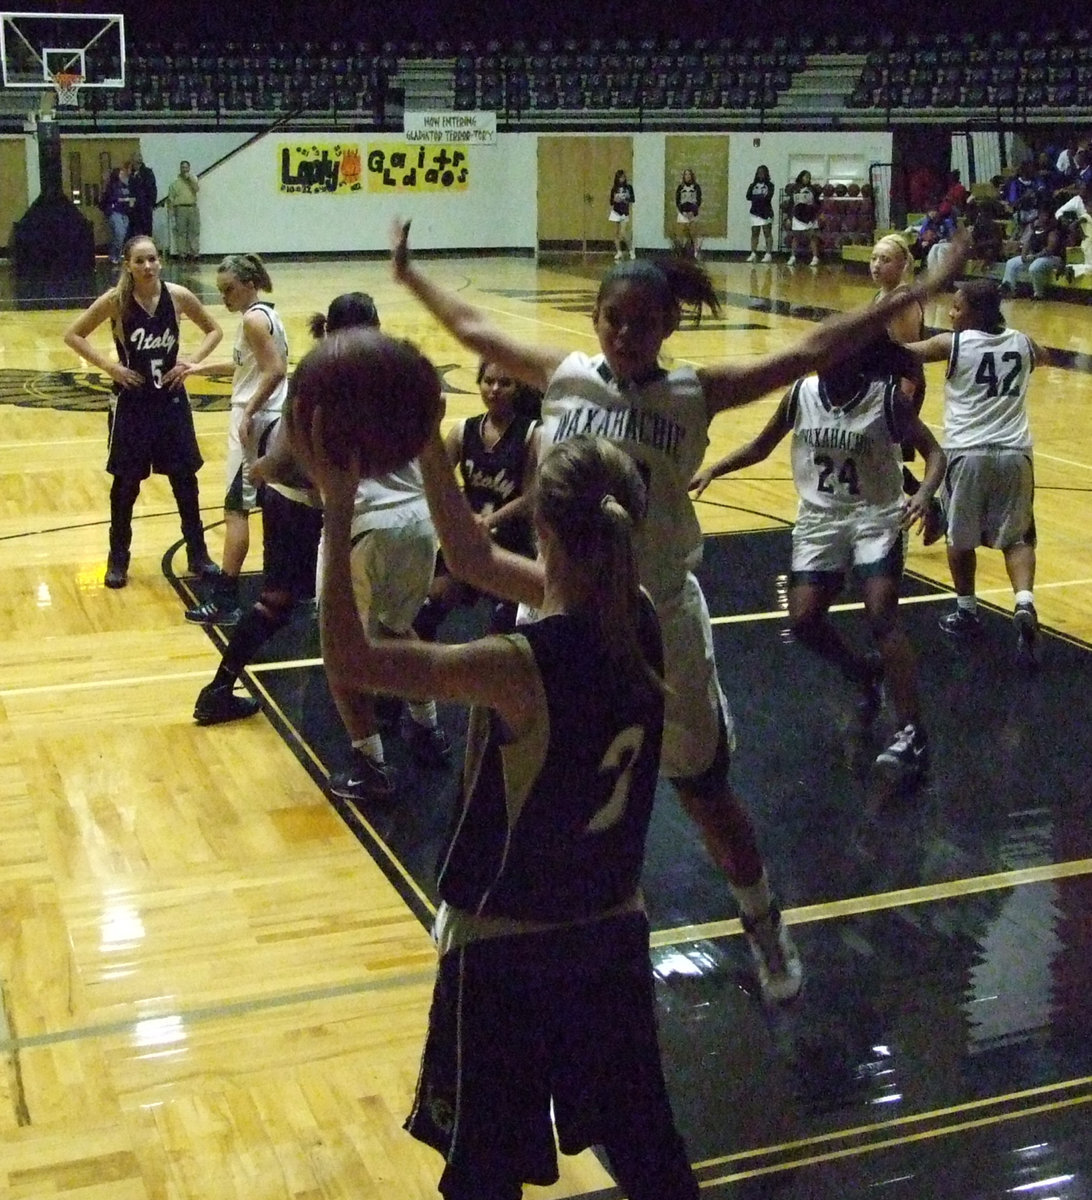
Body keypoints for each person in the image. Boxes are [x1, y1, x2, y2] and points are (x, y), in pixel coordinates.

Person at [391, 215, 971, 1005]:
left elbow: (809, 349)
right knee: (508, 760)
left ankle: (762, 919)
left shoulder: (697, 391)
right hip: (555, 604)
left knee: (702, 789)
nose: (627, 333)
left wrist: (918, 292)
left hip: (658, 612)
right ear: (595, 321)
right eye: (614, 319)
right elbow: (469, 324)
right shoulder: (563, 375)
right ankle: (483, 904)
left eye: (643, 321)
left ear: (669, 324)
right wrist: (409, 275)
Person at [298, 401, 700, 1199]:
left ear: (543, 532)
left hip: (510, 944)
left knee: (483, 1175)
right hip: (612, 926)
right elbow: (475, 554)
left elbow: (347, 657)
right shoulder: (640, 617)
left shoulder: (514, 664)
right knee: (650, 1151)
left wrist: (338, 507)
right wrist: (425, 443)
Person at [689, 336, 945, 784]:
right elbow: (761, 446)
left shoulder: (885, 399)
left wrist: (924, 494)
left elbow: (935, 454)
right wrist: (716, 467)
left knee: (882, 614)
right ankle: (862, 673)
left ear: (853, 360)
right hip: (820, 519)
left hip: (875, 516)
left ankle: (912, 732)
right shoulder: (801, 395)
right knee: (804, 621)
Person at [304, 293, 450, 800]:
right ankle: (427, 724)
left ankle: (370, 762)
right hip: (418, 522)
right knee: (394, 626)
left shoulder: (325, 379)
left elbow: (294, 458)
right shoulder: (405, 370)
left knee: (339, 646)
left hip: (361, 523)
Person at [899, 280, 1047, 668]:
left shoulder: (953, 344)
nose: (951, 313)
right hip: (1016, 453)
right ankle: (1024, 602)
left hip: (968, 453)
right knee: (1019, 537)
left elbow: (902, 353)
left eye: (957, 308)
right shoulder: (1024, 343)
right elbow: (1043, 354)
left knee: (959, 537)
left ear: (976, 313)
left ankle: (966, 611)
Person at [62, 235, 223, 588]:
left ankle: (198, 554)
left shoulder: (178, 296)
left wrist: (191, 363)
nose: (148, 266)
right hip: (133, 404)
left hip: (170, 402)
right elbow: (73, 335)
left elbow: (214, 330)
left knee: (185, 480)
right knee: (125, 486)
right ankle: (117, 559)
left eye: (152, 259)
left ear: (160, 261)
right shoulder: (116, 301)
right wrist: (111, 367)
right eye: (140, 261)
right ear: (127, 265)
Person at [184, 254, 289, 625]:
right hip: (271, 419)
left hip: (254, 421)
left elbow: (276, 370)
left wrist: (247, 412)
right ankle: (290, 585)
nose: (224, 297)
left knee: (236, 508)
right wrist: (198, 368)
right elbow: (251, 366)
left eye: (228, 289)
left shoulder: (251, 319)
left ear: (248, 283)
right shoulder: (267, 314)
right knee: (275, 506)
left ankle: (226, 599)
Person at [414, 359, 541, 642]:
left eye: (504, 383)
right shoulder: (463, 430)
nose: (494, 389)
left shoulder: (532, 433)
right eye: (488, 382)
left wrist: (489, 520)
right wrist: (462, 516)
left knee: (503, 630)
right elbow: (436, 479)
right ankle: (418, 676)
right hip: (467, 541)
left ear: (518, 388)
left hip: (513, 545)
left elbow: (532, 497)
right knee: (428, 606)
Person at [868, 233, 944, 545]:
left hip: (900, 386)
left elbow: (907, 354)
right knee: (878, 453)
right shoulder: (881, 297)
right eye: (874, 258)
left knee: (883, 453)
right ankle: (925, 506)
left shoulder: (902, 301)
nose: (876, 265)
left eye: (885, 260)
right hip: (882, 384)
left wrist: (903, 397)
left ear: (902, 264)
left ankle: (927, 505)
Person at [1000, 202, 1064, 300]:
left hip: (1052, 258)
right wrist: (1024, 255)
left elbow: (1050, 249)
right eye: (1041, 213)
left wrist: (1034, 256)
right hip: (1035, 256)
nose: (1042, 216)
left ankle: (1038, 294)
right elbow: (1028, 242)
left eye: (1044, 214)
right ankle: (1009, 290)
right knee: (1011, 263)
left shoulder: (1054, 228)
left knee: (1035, 267)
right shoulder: (1035, 225)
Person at [166, 160, 201, 262]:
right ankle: (182, 254)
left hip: (192, 207)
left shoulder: (193, 179)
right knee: (181, 232)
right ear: (180, 169)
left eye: (186, 167)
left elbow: (197, 189)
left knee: (194, 231)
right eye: (183, 167)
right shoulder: (175, 183)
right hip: (180, 208)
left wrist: (190, 179)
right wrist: (171, 212)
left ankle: (195, 254)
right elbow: (171, 198)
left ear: (189, 168)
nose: (184, 169)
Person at [100, 161, 134, 265]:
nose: (123, 174)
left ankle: (117, 256)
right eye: (121, 173)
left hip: (125, 212)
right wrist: (127, 200)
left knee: (122, 235)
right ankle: (113, 255)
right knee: (119, 234)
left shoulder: (126, 185)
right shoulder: (112, 186)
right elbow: (112, 198)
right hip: (115, 212)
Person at [787, 169, 821, 267]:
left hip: (810, 216)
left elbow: (818, 203)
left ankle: (815, 257)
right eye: (806, 176)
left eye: (809, 177)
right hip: (798, 215)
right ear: (801, 177)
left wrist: (816, 214)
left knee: (812, 236)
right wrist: (790, 217)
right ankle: (792, 256)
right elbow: (791, 204)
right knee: (796, 236)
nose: (808, 178)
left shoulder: (813, 189)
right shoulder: (795, 189)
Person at [745, 164, 775, 263]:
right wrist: (759, 197)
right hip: (755, 211)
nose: (761, 175)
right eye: (759, 173)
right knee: (754, 232)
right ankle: (753, 253)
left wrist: (758, 197)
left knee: (767, 232)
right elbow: (748, 196)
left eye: (763, 173)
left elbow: (768, 197)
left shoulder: (770, 185)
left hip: (766, 212)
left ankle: (768, 253)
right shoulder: (753, 185)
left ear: (766, 174)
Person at [128, 149, 157, 240]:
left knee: (146, 231)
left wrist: (151, 203)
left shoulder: (147, 172)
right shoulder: (129, 173)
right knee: (134, 232)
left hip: (145, 206)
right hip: (133, 208)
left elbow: (152, 188)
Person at [674, 167, 702, 259]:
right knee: (681, 233)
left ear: (692, 176)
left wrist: (692, 212)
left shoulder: (696, 187)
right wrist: (683, 212)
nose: (687, 176)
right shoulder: (680, 187)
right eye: (685, 174)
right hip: (683, 213)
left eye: (689, 174)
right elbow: (677, 201)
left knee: (693, 233)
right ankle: (681, 252)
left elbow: (698, 201)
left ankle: (695, 252)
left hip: (692, 213)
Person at [609, 168, 636, 261]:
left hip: (624, 212)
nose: (622, 179)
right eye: (620, 178)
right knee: (616, 234)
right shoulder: (614, 189)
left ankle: (631, 250)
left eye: (623, 177)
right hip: (616, 211)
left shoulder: (629, 188)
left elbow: (632, 199)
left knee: (623, 233)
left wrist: (625, 199)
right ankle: (619, 251)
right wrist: (615, 199)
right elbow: (611, 202)